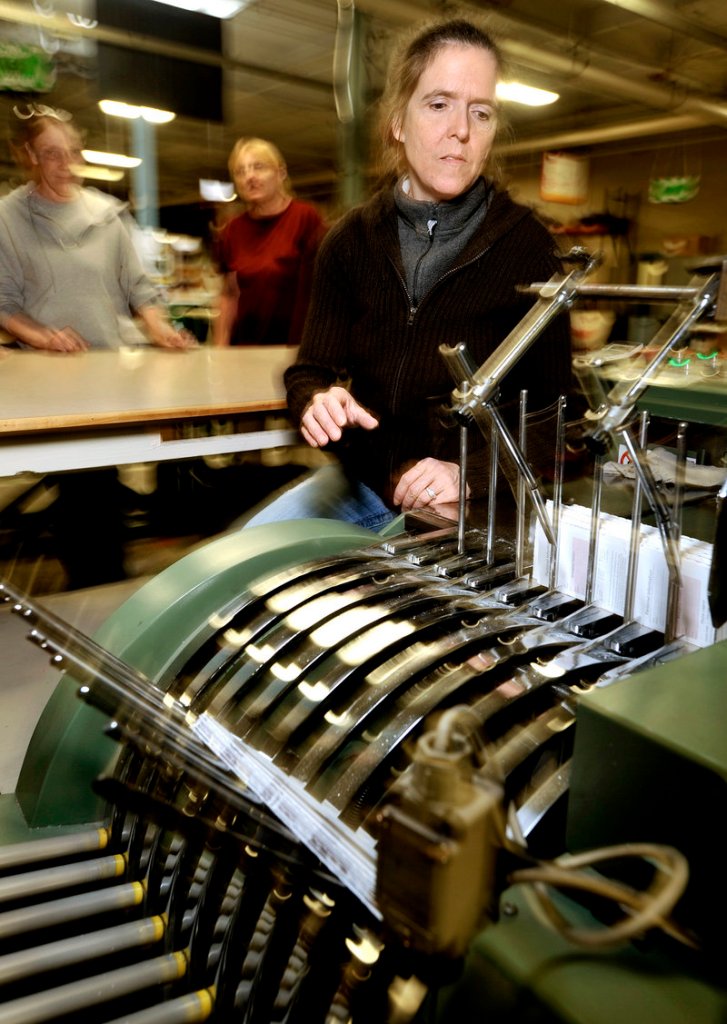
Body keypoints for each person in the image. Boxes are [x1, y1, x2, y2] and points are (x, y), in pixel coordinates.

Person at [245, 16, 573, 531]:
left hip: (472, 500)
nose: (460, 130)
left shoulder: (528, 247)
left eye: (480, 112)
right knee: (242, 567)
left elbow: (558, 413)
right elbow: (309, 372)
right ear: (398, 121)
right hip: (369, 483)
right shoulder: (348, 242)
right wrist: (317, 401)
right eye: (438, 104)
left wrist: (469, 473)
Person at [0, 107, 194, 351]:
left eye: (74, 153)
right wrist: (43, 337)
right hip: (46, 366)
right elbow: (4, 302)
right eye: (52, 154)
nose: (66, 164)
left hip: (108, 361)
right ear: (32, 155)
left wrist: (161, 329)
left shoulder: (107, 213)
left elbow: (138, 286)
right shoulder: (7, 217)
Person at [213, 137, 327, 346]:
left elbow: (328, 290)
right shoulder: (232, 230)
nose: (250, 177)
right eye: (241, 171)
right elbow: (229, 294)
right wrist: (220, 345)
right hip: (245, 349)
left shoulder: (305, 218)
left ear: (281, 173)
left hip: (295, 347)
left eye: (258, 167)